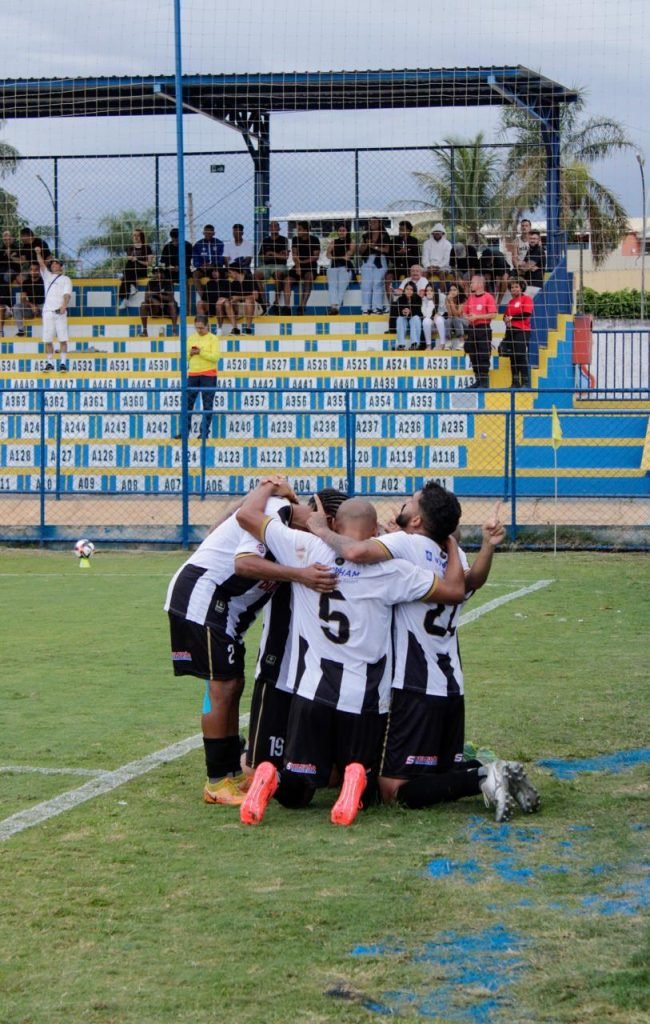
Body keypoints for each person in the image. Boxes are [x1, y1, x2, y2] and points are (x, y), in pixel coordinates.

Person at [305, 484, 540, 823]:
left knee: (392, 789)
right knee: (438, 773)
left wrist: (321, 530)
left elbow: (355, 552)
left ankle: (484, 777)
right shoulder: (451, 552)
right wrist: (488, 545)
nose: (403, 501)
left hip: (413, 686)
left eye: (410, 500)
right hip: (451, 686)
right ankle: (489, 772)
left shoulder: (406, 544)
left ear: (416, 520)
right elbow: (471, 582)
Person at [236, 481, 466, 827]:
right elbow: (452, 591)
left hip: (311, 693)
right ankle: (355, 780)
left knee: (300, 788)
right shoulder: (393, 569)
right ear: (375, 532)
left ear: (334, 525)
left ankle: (274, 776)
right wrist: (450, 539)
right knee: (373, 784)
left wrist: (271, 490)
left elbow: (247, 515)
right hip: (365, 700)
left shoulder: (304, 548)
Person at [164, 495, 337, 806]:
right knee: (224, 686)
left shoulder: (273, 515)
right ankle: (217, 781)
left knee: (232, 684)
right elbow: (243, 564)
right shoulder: (270, 512)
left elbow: (224, 527)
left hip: (224, 611)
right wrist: (302, 575)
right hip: (203, 598)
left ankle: (230, 771)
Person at [238, 489, 349, 773]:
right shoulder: (363, 552)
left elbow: (242, 532)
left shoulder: (294, 543)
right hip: (326, 674)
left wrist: (267, 490)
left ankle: (248, 753)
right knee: (328, 771)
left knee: (259, 770)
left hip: (282, 667)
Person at [173, 315, 219, 440]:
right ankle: (184, 433)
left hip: (209, 375)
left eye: (201, 328)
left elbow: (215, 357)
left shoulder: (213, 339)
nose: (199, 330)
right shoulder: (191, 338)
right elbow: (185, 358)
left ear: (207, 326)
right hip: (193, 374)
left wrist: (200, 352)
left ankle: (204, 433)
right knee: (187, 405)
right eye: (197, 328)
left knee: (207, 405)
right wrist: (190, 353)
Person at [34, 247, 72, 372]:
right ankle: (49, 362)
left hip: (60, 312)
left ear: (61, 267)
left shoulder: (66, 279)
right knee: (47, 339)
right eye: (53, 264)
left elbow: (67, 294)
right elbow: (41, 263)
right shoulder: (47, 276)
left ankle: (63, 363)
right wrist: (38, 253)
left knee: (63, 338)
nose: (54, 265)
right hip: (48, 312)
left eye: (57, 264)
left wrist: (64, 305)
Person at [462, 274, 497, 388]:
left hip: (483, 328)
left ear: (479, 284)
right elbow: (464, 312)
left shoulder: (488, 297)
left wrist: (477, 317)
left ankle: (484, 381)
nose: (470, 284)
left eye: (472, 282)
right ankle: (478, 379)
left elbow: (493, 314)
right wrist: (468, 317)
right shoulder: (470, 298)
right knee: (473, 354)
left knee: (483, 354)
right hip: (472, 329)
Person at [283, 221, 320, 315]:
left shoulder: (314, 239)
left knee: (309, 279)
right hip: (298, 265)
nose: (297, 231)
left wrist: (302, 262)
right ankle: (287, 307)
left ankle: (302, 306)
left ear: (306, 230)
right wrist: (298, 266)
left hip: (310, 266)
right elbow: (294, 254)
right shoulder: (295, 239)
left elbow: (315, 257)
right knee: (287, 280)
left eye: (299, 229)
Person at [503, 278, 533, 388]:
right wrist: (506, 320)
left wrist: (511, 318)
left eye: (516, 287)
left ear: (521, 288)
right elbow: (505, 316)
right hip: (511, 331)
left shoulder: (526, 299)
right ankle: (515, 382)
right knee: (513, 356)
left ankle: (525, 381)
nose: (514, 289)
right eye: (512, 287)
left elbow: (526, 314)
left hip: (522, 330)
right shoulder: (510, 302)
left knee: (520, 355)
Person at [255, 220, 289, 314]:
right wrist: (277, 254)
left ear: (279, 228)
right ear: (269, 229)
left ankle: (276, 302)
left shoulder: (284, 240)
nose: (273, 228)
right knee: (256, 275)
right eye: (272, 226)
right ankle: (264, 301)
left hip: (280, 265)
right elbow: (261, 256)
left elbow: (285, 256)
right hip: (267, 265)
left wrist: (272, 254)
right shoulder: (265, 240)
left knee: (278, 274)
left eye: (276, 226)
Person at [358, 216, 391, 314]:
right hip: (368, 260)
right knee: (366, 285)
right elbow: (360, 251)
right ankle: (365, 308)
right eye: (371, 222)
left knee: (378, 283)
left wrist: (375, 247)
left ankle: (377, 307)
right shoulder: (366, 236)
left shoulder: (384, 235)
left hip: (380, 260)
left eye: (375, 222)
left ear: (380, 223)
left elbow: (387, 250)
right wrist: (366, 245)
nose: (372, 224)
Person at [385, 220, 421, 307]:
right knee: (388, 277)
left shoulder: (413, 241)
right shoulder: (394, 240)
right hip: (397, 266)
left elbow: (416, 258)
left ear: (408, 231)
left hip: (409, 266)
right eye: (399, 229)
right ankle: (391, 303)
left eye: (402, 229)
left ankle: (411, 302)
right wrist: (399, 253)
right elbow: (390, 256)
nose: (400, 231)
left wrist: (406, 253)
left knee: (411, 279)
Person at [386, 264, 429, 334]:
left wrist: (408, 294)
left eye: (417, 271)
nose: (415, 273)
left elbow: (421, 294)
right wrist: (393, 291)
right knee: (394, 304)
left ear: (421, 273)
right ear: (410, 272)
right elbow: (400, 292)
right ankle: (392, 329)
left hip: (418, 303)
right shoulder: (406, 280)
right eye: (413, 271)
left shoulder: (424, 280)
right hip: (406, 301)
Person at [138, 265, 179, 337]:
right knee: (143, 305)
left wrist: (157, 295)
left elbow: (170, 298)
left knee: (172, 304)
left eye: (160, 272)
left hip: (167, 309)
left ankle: (174, 330)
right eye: (155, 272)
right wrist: (155, 300)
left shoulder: (168, 282)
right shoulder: (150, 282)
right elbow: (146, 297)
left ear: (163, 273)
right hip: (155, 309)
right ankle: (144, 331)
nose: (157, 274)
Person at [118, 228, 154, 307]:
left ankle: (126, 298)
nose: (136, 237)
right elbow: (129, 260)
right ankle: (131, 289)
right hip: (131, 272)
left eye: (138, 235)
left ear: (142, 237)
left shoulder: (147, 248)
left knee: (126, 274)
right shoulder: (130, 248)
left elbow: (149, 264)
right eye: (134, 235)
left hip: (141, 270)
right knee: (130, 263)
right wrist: (132, 259)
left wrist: (137, 260)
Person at [325, 224, 355, 314]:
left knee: (341, 288)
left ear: (347, 231)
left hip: (345, 267)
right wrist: (341, 257)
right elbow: (327, 255)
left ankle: (335, 309)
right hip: (334, 267)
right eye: (340, 230)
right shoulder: (333, 242)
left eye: (343, 230)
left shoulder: (351, 241)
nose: (341, 232)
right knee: (332, 287)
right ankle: (334, 307)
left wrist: (335, 257)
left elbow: (349, 254)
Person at [191, 225, 225, 300]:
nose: (208, 235)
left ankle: (219, 297)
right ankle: (203, 298)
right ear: (203, 233)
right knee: (195, 274)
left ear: (214, 233)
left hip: (215, 268)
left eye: (210, 233)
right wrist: (201, 265)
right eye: (206, 233)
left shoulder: (219, 244)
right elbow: (195, 259)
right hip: (203, 268)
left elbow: (221, 258)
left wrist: (213, 265)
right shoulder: (198, 244)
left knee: (219, 275)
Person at [12, 262, 44, 337]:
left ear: (39, 271)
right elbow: (23, 299)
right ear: (29, 271)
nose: (33, 271)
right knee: (16, 307)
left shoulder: (44, 281)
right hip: (30, 308)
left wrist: (38, 307)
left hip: (43, 308)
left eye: (36, 269)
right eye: (31, 269)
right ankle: (21, 330)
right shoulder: (26, 282)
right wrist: (32, 305)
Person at [224, 266, 259, 334]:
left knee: (248, 301)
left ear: (235, 272)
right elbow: (232, 297)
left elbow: (256, 296)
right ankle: (235, 328)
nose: (229, 275)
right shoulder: (233, 283)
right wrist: (233, 299)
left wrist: (238, 298)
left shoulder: (251, 279)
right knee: (227, 303)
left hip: (253, 307)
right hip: (240, 307)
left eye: (230, 273)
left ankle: (248, 328)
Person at [0, 230, 21, 336]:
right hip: (2, 271)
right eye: (5, 237)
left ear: (12, 238)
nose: (7, 239)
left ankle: (7, 304)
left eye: (9, 237)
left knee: (6, 276)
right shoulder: (1, 248)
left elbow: (19, 262)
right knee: (3, 276)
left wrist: (10, 256)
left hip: (13, 270)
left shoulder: (17, 248)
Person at [395, 282, 423, 350]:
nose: (409, 291)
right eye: (407, 289)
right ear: (404, 290)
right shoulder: (400, 299)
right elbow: (397, 311)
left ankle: (415, 344)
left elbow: (419, 312)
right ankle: (401, 344)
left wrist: (409, 312)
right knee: (400, 319)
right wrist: (403, 311)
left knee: (415, 318)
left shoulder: (418, 298)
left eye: (411, 289)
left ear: (414, 291)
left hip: (414, 322)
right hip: (404, 321)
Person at [421, 283, 447, 350]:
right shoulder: (424, 300)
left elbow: (445, 312)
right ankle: (428, 345)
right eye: (427, 290)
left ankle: (442, 344)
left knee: (438, 319)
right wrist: (430, 301)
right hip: (432, 324)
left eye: (431, 290)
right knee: (426, 321)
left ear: (434, 291)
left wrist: (438, 314)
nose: (429, 292)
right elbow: (425, 315)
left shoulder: (442, 297)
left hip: (442, 323)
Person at [445, 283, 466, 350]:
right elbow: (450, 315)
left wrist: (451, 301)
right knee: (448, 320)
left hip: (464, 321)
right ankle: (448, 342)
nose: (452, 292)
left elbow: (457, 314)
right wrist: (448, 302)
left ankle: (461, 342)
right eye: (451, 290)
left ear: (458, 291)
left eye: (454, 290)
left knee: (456, 318)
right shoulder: (447, 299)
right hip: (454, 321)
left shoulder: (463, 299)